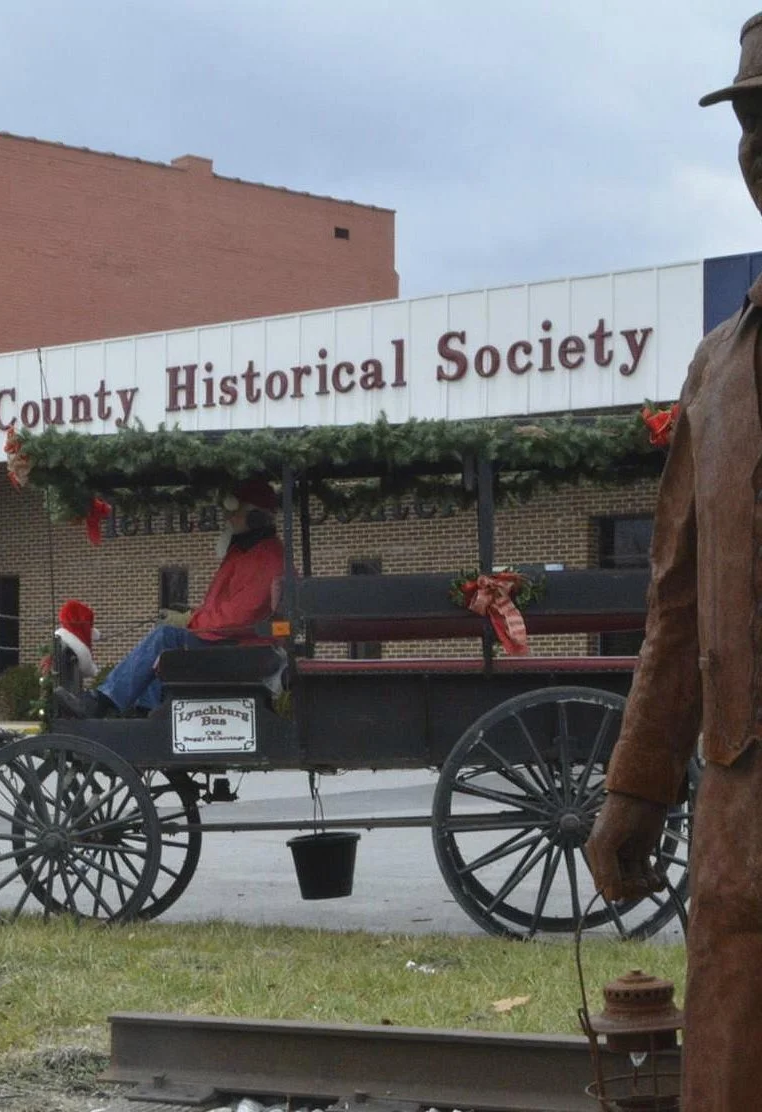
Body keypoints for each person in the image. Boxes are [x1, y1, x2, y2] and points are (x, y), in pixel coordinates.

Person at [584, 14, 762, 1108]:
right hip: (744, 823)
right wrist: (636, 792)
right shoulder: (718, 371)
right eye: (749, 118)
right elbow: (677, 612)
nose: (760, 142)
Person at [55, 477, 285, 718]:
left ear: (255, 516)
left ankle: (102, 702)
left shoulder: (266, 558)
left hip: (245, 652)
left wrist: (190, 623)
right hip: (237, 648)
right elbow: (227, 610)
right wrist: (191, 616)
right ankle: (144, 712)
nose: (228, 518)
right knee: (167, 650)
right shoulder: (248, 551)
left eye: (234, 512)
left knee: (166, 638)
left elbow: (240, 618)